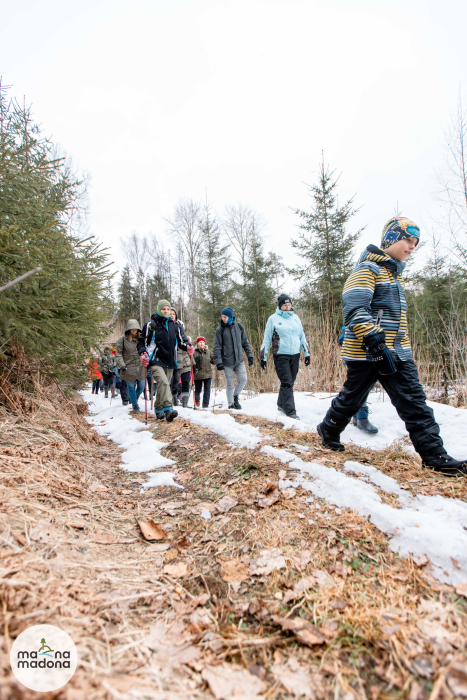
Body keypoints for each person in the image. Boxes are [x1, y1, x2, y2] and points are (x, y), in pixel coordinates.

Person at [316, 216, 467, 477]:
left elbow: (396, 322)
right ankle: (328, 428)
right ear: (390, 239)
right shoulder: (367, 269)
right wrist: (374, 342)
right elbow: (355, 309)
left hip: (397, 353)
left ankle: (435, 456)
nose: (412, 246)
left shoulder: (396, 277)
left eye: (415, 242)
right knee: (352, 399)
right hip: (366, 352)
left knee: (414, 402)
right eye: (407, 240)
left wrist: (400, 349)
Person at [138, 299, 193, 421]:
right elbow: (141, 342)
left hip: (170, 360)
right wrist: (143, 353)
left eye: (168, 309)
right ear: (159, 309)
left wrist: (188, 346)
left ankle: (158, 409)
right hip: (155, 359)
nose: (166, 311)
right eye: (163, 309)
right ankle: (168, 409)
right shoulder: (151, 324)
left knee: (164, 385)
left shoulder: (176, 325)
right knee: (163, 382)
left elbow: (182, 341)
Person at [260, 294, 310, 420]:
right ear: (280, 306)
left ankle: (281, 404)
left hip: (295, 354)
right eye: (285, 305)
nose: (288, 308)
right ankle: (290, 411)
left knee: (289, 382)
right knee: (287, 382)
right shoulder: (273, 319)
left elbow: (302, 336)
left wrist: (307, 353)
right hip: (281, 355)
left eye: (289, 305)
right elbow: (267, 339)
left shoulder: (295, 318)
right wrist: (263, 357)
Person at [337, 325, 378, 434]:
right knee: (360, 388)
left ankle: (356, 416)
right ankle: (362, 418)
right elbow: (341, 340)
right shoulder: (355, 320)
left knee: (359, 388)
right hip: (356, 358)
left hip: (364, 358)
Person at [213, 307, 254, 410]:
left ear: (230, 317)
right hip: (227, 362)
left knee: (243, 379)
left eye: (225, 317)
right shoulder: (220, 330)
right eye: (222, 317)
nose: (223, 319)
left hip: (239, 360)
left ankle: (235, 396)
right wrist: (219, 362)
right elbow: (216, 347)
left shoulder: (239, 327)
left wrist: (249, 355)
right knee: (230, 384)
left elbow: (245, 343)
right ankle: (231, 404)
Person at [115, 319, 145, 412]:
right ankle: (135, 405)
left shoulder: (141, 338)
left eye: (135, 329)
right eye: (132, 329)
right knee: (131, 387)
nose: (134, 330)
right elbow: (118, 353)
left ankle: (133, 399)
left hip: (140, 366)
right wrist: (121, 364)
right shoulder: (122, 339)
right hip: (128, 366)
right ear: (128, 329)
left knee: (141, 386)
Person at [170, 308, 189, 406]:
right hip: (168, 359)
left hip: (179, 359)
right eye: (170, 314)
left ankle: (175, 397)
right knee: (169, 380)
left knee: (176, 380)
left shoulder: (180, 330)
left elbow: (185, 341)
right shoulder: (165, 327)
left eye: (173, 314)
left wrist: (189, 346)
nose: (172, 315)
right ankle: (171, 400)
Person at [193, 336, 215, 409]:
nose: (202, 344)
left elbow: (214, 362)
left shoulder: (208, 352)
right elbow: (192, 363)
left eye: (203, 342)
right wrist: (197, 362)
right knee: (198, 390)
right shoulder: (194, 352)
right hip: (198, 374)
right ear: (197, 343)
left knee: (207, 390)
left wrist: (215, 357)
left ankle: (205, 405)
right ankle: (197, 401)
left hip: (208, 374)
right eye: (200, 342)